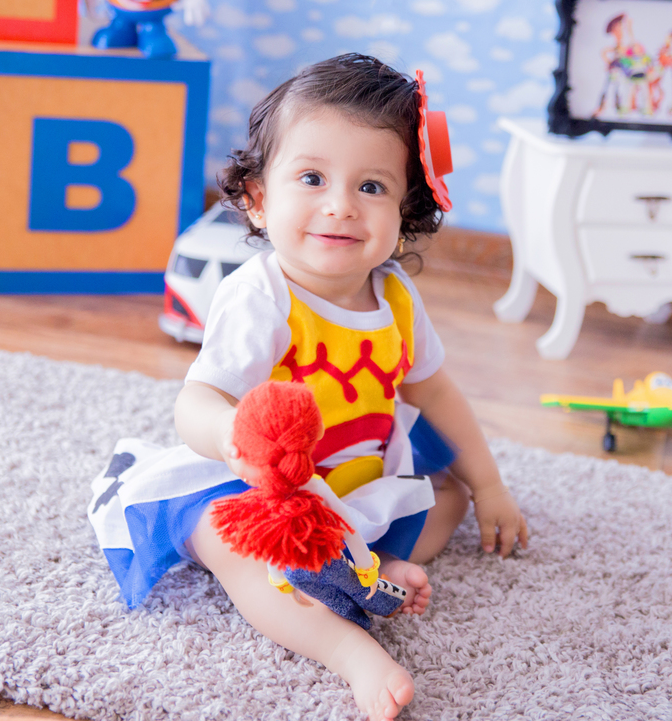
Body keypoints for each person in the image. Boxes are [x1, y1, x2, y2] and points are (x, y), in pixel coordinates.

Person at [88, 53, 529, 721]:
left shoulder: (396, 298)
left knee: (450, 500)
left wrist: (492, 487)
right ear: (260, 201)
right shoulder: (259, 297)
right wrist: (235, 441)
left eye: (372, 187)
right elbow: (196, 402)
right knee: (231, 543)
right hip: (268, 493)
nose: (340, 206)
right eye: (313, 177)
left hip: (353, 482)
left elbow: (435, 394)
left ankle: (363, 570)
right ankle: (347, 647)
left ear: (406, 209)